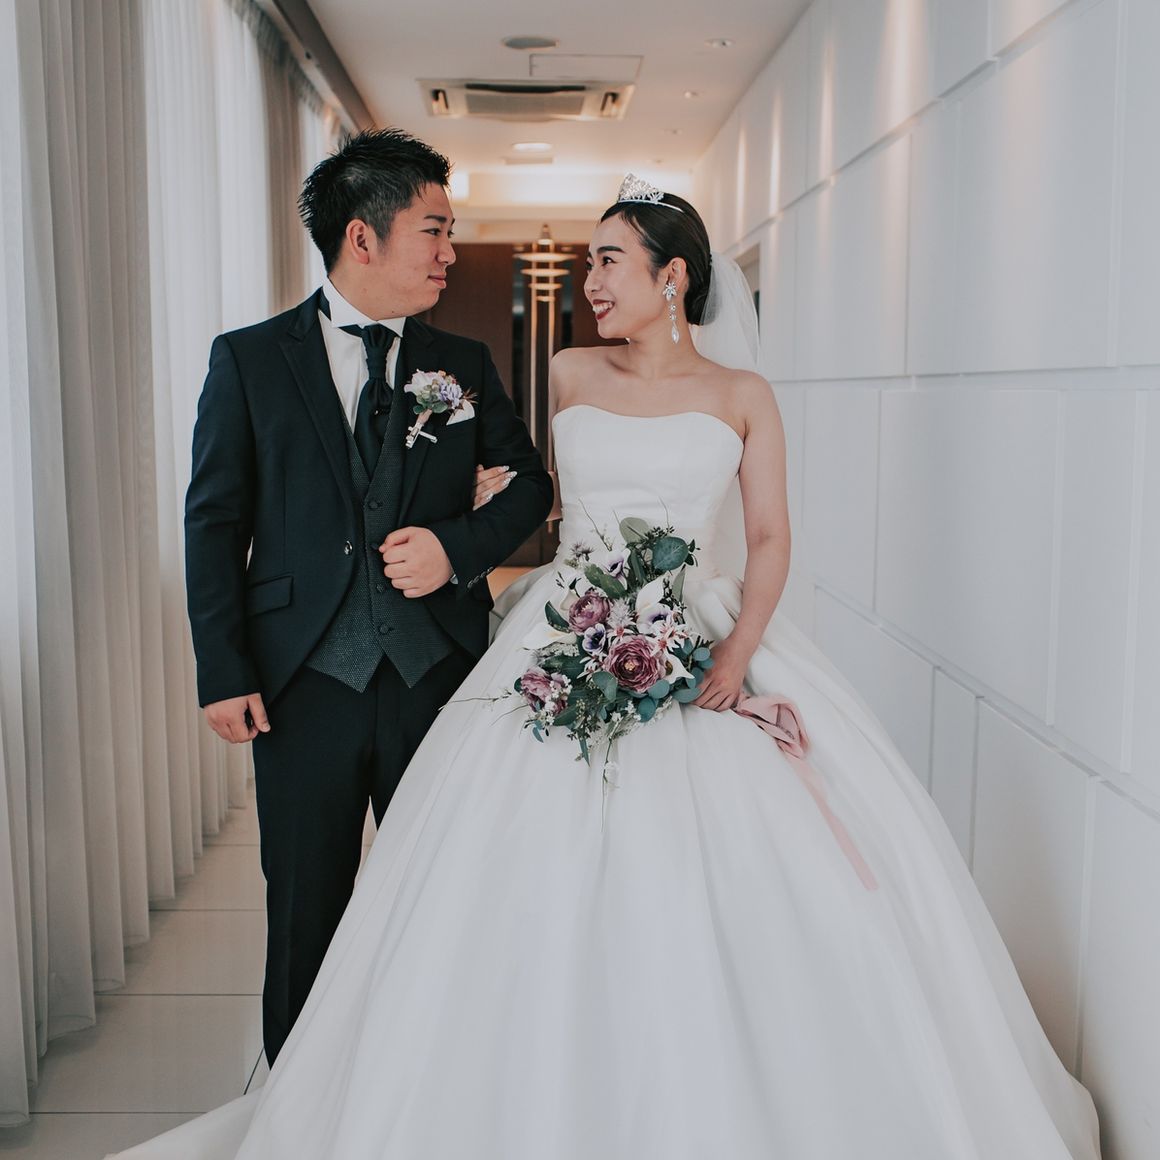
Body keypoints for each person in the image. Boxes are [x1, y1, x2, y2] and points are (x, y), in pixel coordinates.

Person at [119, 177, 1100, 1158]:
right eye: (588, 260)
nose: (587, 280)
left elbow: (767, 537)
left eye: (607, 260)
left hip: (695, 633)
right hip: (553, 628)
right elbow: (530, 490)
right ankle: (333, 1093)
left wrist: (735, 655)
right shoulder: (568, 372)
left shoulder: (741, 396)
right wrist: (469, 510)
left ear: (671, 277)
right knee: (437, 886)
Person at [183, 128, 553, 1066]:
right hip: (301, 685)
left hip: (439, 680)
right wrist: (222, 670)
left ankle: (436, 1087)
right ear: (362, 237)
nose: (449, 251)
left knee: (447, 904)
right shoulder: (249, 360)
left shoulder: (462, 362)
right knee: (305, 908)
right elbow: (214, 523)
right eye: (434, 230)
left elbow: (529, 485)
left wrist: (455, 548)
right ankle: (296, 1105)